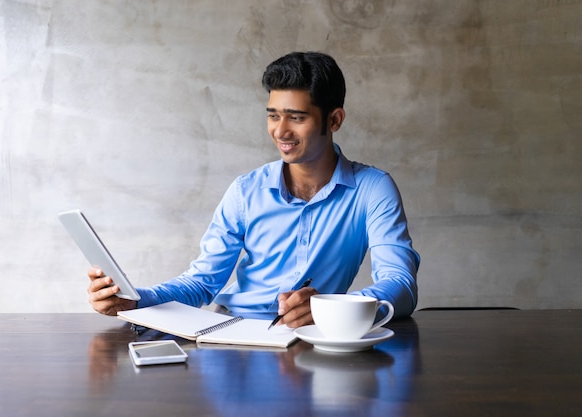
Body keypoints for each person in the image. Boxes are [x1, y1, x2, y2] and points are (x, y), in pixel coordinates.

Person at [87, 51, 420, 328]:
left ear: (334, 120)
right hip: (232, 335)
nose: (281, 131)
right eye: (273, 116)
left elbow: (400, 284)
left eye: (296, 117)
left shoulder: (373, 190)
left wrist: (334, 310)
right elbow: (202, 282)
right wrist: (134, 300)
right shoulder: (246, 191)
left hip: (312, 338)